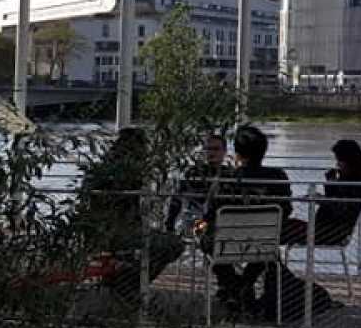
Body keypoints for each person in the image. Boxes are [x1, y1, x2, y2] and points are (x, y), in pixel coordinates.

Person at [74, 127, 184, 295]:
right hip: (117, 234)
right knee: (173, 244)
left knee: (158, 245)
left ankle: (125, 282)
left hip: (101, 232)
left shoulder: (101, 170)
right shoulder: (124, 174)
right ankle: (129, 285)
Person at [210, 124, 293, 311]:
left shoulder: (226, 180)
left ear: (237, 153)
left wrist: (198, 226)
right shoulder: (278, 177)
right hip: (265, 240)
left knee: (204, 237)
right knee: (267, 245)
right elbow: (286, 209)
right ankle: (244, 284)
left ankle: (232, 284)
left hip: (227, 243)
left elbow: (211, 213)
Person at [281, 138, 361, 246]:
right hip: (324, 228)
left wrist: (322, 198)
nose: (338, 165)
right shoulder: (350, 180)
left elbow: (342, 209)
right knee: (282, 225)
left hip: (331, 232)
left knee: (282, 229)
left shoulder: (358, 185)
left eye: (340, 161)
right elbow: (335, 201)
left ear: (349, 161)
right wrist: (330, 185)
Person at [163, 132, 231, 234]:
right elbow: (178, 197)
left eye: (216, 149)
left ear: (224, 151)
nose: (211, 153)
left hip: (223, 222)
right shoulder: (194, 173)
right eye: (208, 149)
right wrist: (170, 224)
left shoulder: (230, 174)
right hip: (200, 221)